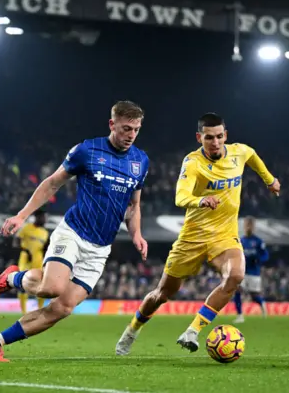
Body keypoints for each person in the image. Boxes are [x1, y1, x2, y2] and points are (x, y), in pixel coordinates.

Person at [0, 100, 149, 362]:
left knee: (62, 308)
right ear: (112, 124)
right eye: (126, 128)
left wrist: (136, 234)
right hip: (74, 233)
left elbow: (134, 206)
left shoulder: (140, 160)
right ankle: (11, 279)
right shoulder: (87, 150)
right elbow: (52, 183)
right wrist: (22, 215)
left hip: (100, 249)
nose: (131, 135)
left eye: (136, 129)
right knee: (52, 288)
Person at [116, 112, 280, 355]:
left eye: (219, 136)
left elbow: (252, 157)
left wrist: (270, 180)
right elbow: (180, 197)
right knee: (162, 294)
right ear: (199, 138)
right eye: (209, 137)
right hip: (192, 238)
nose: (215, 142)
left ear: (226, 135)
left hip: (224, 236)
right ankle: (133, 329)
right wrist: (201, 201)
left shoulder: (239, 152)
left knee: (235, 276)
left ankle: (192, 330)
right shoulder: (193, 163)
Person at [233, 216, 269, 323]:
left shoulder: (258, 241)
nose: (248, 227)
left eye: (250, 225)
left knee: (254, 296)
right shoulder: (241, 241)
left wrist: (259, 260)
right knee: (237, 290)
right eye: (246, 225)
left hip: (254, 272)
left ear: (253, 227)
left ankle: (262, 304)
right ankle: (240, 316)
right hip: (243, 271)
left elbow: (265, 255)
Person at [13, 209, 49, 314]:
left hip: (38, 260)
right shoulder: (26, 228)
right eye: (42, 217)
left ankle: (39, 309)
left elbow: (46, 248)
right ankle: (23, 312)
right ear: (37, 217)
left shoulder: (45, 233)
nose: (44, 219)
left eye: (45, 218)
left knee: (42, 285)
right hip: (25, 259)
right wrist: (24, 250)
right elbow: (16, 241)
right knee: (23, 283)